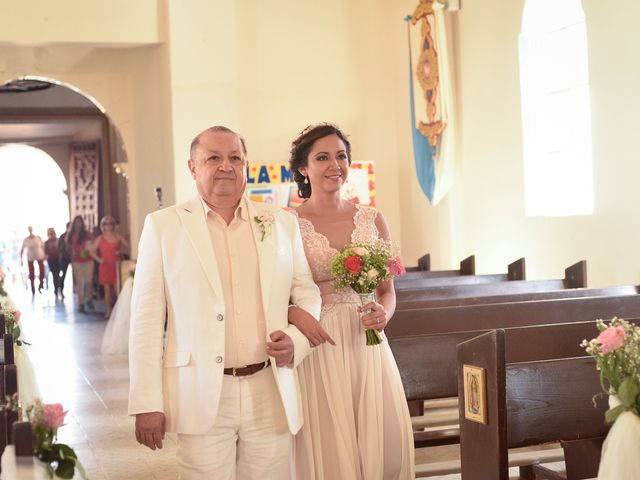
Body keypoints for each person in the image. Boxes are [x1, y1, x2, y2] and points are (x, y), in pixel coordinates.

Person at [128, 125, 322, 480]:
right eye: (213, 158)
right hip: (200, 391)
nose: (225, 166)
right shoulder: (163, 227)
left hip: (269, 387)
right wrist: (146, 402)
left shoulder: (280, 223)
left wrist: (295, 342)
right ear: (192, 167)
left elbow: (307, 291)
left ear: (246, 165)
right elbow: (145, 321)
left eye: (235, 158)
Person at [288, 123, 415, 479]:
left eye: (341, 156)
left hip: (366, 342)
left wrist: (383, 314)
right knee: (328, 442)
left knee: (381, 439)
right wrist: (296, 316)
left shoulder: (374, 219)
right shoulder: (289, 224)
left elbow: (388, 290)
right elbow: (278, 294)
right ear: (303, 168)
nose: (335, 165)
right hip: (318, 343)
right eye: (323, 157)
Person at [90, 216, 129, 319]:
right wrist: (100, 260)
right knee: (107, 289)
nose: (108, 225)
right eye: (105, 224)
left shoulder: (117, 236)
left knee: (117, 289)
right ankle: (109, 310)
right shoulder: (100, 238)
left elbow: (128, 244)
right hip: (105, 265)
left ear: (113, 225)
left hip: (116, 264)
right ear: (102, 226)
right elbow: (92, 251)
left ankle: (119, 310)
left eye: (110, 223)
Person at [66, 216, 94, 312]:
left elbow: (93, 243)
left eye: (80, 222)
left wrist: (89, 249)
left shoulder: (87, 234)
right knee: (79, 282)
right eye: (76, 222)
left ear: (82, 223)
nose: (78, 224)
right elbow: (68, 247)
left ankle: (89, 299)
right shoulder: (70, 235)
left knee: (88, 281)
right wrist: (72, 252)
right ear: (74, 224)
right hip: (76, 261)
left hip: (88, 260)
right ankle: (81, 303)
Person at [20, 226, 45, 295]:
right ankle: (32, 288)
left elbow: (43, 246)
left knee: (42, 271)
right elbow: (22, 250)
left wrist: (45, 254)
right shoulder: (26, 240)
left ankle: (41, 284)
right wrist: (21, 260)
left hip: (39, 256)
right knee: (31, 273)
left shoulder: (38, 238)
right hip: (30, 257)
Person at [44, 228, 63, 298]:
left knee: (58, 275)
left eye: (52, 233)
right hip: (51, 260)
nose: (51, 234)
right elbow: (45, 252)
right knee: (55, 275)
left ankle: (59, 288)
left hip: (58, 259)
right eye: (50, 233)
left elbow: (61, 250)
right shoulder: (46, 243)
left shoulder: (58, 241)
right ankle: (56, 289)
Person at [57, 222, 71, 298]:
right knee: (63, 274)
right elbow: (59, 247)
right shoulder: (62, 236)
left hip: (72, 257)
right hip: (64, 258)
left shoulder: (74, 236)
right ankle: (61, 289)